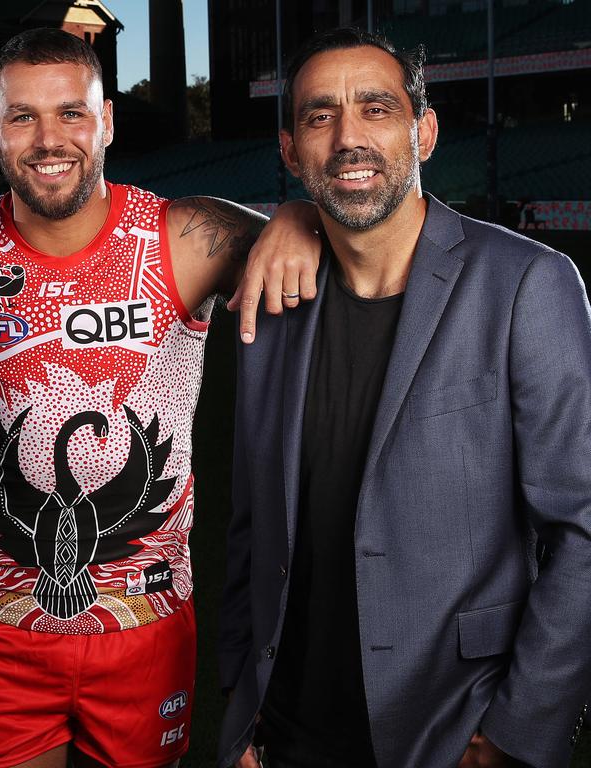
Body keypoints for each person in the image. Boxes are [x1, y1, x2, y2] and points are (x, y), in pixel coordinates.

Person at [0, 27, 321, 768]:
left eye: (71, 113)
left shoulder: (184, 237)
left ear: (106, 119)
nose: (49, 139)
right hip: (2, 627)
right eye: (23, 116)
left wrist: (298, 217)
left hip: (148, 621)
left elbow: (321, 253)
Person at [218, 27, 591, 768]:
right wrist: (241, 714)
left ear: (424, 132)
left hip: (448, 732)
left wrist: (512, 738)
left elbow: (583, 531)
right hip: (284, 737)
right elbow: (251, 530)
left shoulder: (526, 284)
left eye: (377, 109)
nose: (348, 137)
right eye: (320, 116)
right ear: (292, 151)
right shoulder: (271, 301)